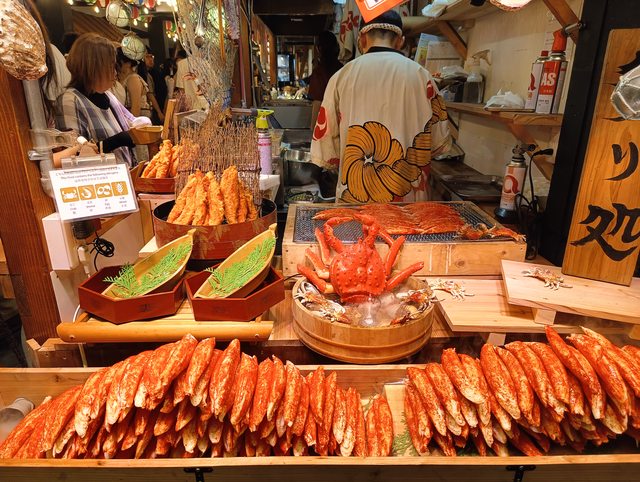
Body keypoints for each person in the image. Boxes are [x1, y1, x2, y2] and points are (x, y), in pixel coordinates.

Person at [310, 11, 451, 203]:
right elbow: (438, 144)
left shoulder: (341, 77)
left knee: (354, 224)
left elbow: (327, 153)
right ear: (400, 41)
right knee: (408, 223)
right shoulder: (422, 77)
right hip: (409, 204)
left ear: (362, 39)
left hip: (356, 202)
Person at [56, 33, 143, 167]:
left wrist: (142, 125)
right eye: (110, 66)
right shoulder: (70, 100)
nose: (115, 72)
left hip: (125, 174)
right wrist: (116, 141)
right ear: (93, 68)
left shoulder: (109, 96)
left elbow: (132, 121)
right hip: (99, 178)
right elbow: (74, 155)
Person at [308, 31, 342, 130]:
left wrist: (313, 129)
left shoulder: (319, 72)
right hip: (343, 120)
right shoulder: (343, 69)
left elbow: (317, 102)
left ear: (319, 49)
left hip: (326, 124)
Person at [142, 47, 167, 123]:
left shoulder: (154, 73)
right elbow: (150, 94)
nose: (151, 59)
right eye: (147, 57)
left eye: (152, 57)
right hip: (147, 111)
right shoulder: (142, 74)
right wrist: (159, 112)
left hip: (153, 109)